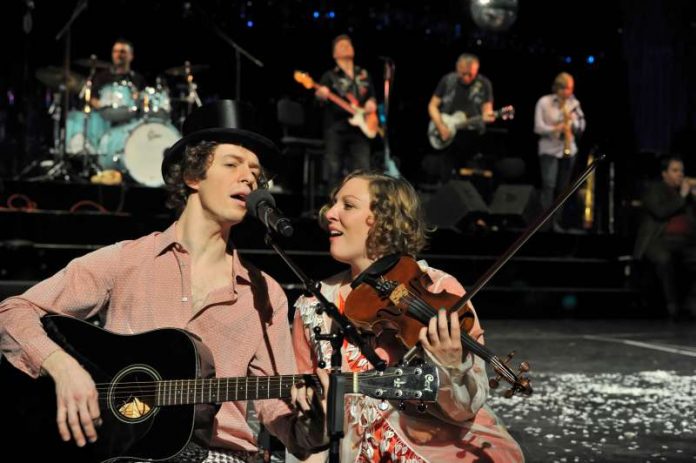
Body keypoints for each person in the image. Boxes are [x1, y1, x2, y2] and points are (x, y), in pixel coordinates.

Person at [0, 100, 329, 462]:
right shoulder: (127, 260)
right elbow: (13, 311)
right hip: (127, 455)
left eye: (255, 172)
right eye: (233, 164)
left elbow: (288, 426)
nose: (249, 178)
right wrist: (62, 367)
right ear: (192, 175)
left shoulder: (265, 293)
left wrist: (315, 419)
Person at [290, 171, 525, 462]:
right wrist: (311, 412)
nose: (329, 214)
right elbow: (303, 420)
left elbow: (464, 409)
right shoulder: (314, 305)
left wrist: (451, 367)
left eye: (347, 205)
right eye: (333, 203)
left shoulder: (438, 289)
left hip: (434, 451)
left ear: (384, 219)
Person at [633, 154, 696, 321]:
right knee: (663, 258)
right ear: (665, 174)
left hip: (686, 241)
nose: (680, 175)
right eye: (675, 171)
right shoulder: (654, 189)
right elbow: (661, 212)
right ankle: (671, 306)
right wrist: (681, 196)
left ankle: (690, 304)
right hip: (658, 239)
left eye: (681, 171)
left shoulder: (687, 194)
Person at [316, 34, 378, 190]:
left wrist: (372, 103)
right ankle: (333, 208)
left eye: (349, 44)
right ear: (334, 54)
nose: (346, 46)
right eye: (341, 46)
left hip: (361, 129)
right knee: (333, 169)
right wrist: (320, 95)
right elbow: (318, 103)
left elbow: (372, 97)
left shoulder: (364, 74)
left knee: (363, 171)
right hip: (336, 128)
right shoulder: (329, 76)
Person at [425, 53, 495, 182]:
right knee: (447, 170)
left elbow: (487, 110)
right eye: (463, 73)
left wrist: (489, 116)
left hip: (473, 135)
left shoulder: (484, 84)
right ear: (457, 68)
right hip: (448, 135)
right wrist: (440, 126)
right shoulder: (448, 80)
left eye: (471, 74)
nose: (467, 78)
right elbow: (432, 106)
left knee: (470, 176)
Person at [534, 72, 586, 232]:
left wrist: (573, 125)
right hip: (549, 149)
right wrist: (556, 128)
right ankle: (544, 223)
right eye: (565, 89)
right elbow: (538, 127)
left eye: (571, 89)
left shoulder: (574, 104)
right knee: (549, 185)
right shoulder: (544, 102)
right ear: (557, 88)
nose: (568, 93)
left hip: (568, 150)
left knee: (563, 189)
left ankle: (557, 222)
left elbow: (582, 126)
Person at [90, 38, 147, 115]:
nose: (118, 55)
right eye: (115, 51)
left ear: (131, 56)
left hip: (132, 120)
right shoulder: (101, 77)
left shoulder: (138, 79)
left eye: (122, 52)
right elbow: (92, 98)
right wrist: (101, 106)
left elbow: (145, 100)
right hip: (105, 119)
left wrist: (139, 99)